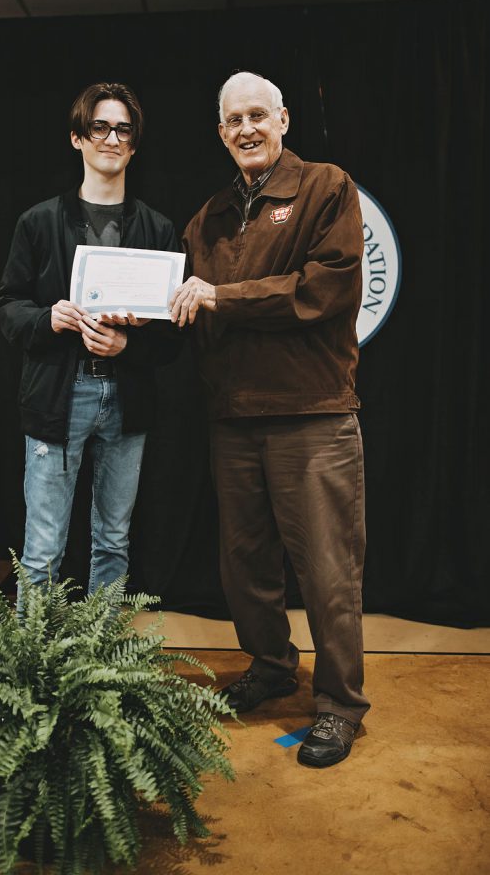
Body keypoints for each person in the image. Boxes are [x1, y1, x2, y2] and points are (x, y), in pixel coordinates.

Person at [170, 70, 369, 768]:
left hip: (312, 412)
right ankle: (271, 666)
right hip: (234, 416)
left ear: (282, 120)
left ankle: (340, 705)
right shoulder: (208, 218)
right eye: (234, 120)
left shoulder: (326, 187)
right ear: (221, 132)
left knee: (328, 571)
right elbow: (185, 305)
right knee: (244, 565)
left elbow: (324, 289)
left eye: (258, 115)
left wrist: (221, 297)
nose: (247, 129)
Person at [0, 81, 179, 598]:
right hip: (58, 393)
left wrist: (128, 347)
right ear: (77, 138)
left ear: (134, 145)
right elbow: (6, 306)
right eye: (100, 127)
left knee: (114, 540)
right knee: (42, 547)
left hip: (127, 397)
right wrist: (47, 318)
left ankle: (104, 649)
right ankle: (37, 651)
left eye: (123, 130)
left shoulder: (157, 229)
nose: (112, 139)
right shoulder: (39, 222)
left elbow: (172, 336)